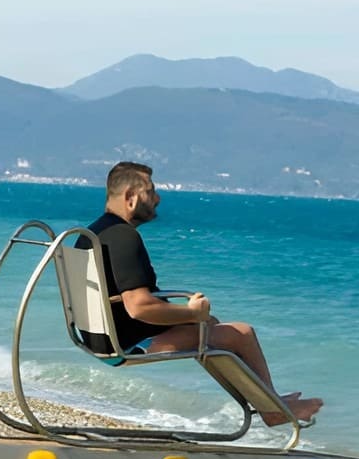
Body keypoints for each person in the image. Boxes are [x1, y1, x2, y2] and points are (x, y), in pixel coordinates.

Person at [78, 161, 323, 425]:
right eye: (151, 191)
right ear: (131, 197)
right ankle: (272, 410)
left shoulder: (93, 233)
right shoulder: (123, 237)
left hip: (100, 341)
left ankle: (268, 402)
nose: (157, 199)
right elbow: (139, 306)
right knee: (241, 333)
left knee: (212, 327)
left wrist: (193, 317)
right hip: (127, 346)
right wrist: (191, 312)